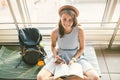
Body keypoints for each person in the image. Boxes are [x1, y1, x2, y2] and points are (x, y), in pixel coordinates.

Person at [37, 5, 100, 80]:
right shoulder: (55, 31)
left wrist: (74, 59)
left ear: (74, 20)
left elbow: (82, 48)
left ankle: (61, 78)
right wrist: (56, 56)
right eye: (64, 19)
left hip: (76, 57)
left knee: (95, 78)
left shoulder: (79, 30)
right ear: (60, 18)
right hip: (60, 57)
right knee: (40, 77)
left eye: (70, 20)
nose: (67, 22)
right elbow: (53, 46)